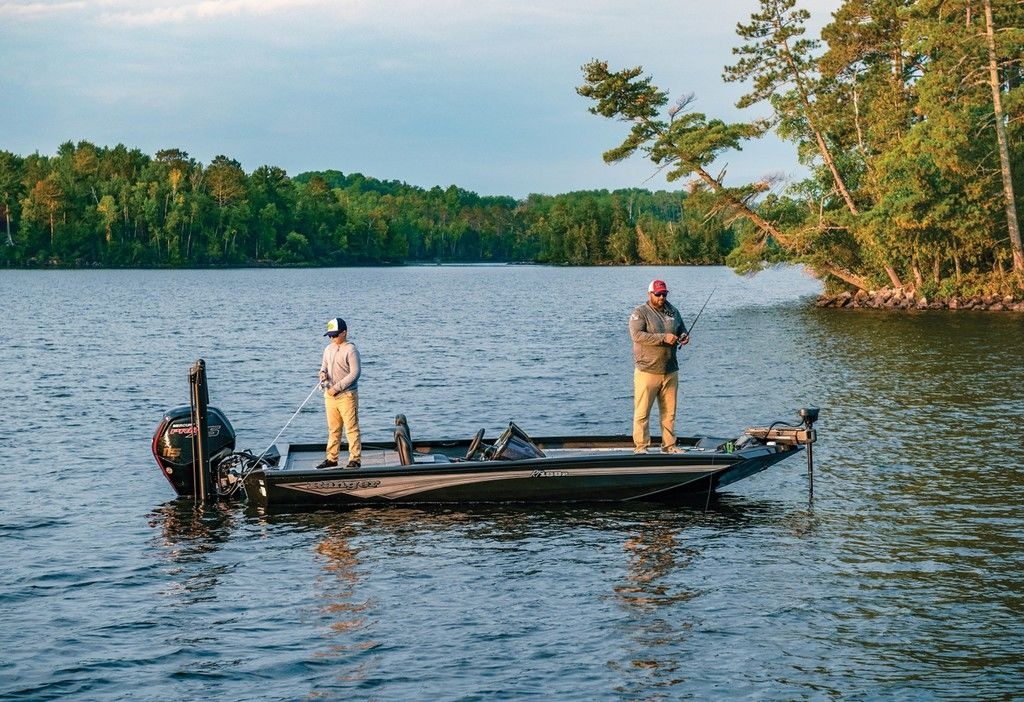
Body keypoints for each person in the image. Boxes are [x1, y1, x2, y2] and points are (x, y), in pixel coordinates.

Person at [629, 279, 689, 453]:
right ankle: (641, 447)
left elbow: (681, 328)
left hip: (670, 370)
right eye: (658, 294)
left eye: (664, 294)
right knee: (642, 413)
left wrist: (684, 336)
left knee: (669, 413)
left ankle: (669, 446)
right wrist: (663, 337)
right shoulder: (640, 312)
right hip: (647, 371)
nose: (661, 297)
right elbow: (637, 335)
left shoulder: (673, 311)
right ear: (650, 294)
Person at [316, 317, 362, 469]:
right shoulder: (328, 349)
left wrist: (337, 388)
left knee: (351, 428)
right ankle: (331, 458)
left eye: (334, 335)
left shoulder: (351, 350)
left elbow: (355, 373)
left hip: (347, 396)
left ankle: (355, 459)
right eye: (330, 335)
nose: (332, 338)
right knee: (333, 429)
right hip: (330, 396)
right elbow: (324, 366)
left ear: (344, 333)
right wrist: (322, 373)